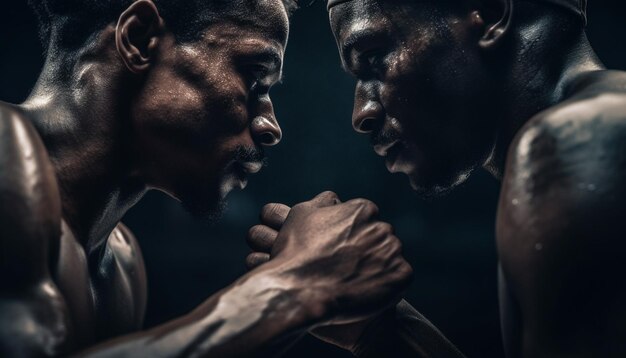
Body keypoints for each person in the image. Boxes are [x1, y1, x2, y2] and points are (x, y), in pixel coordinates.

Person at [0, 0, 413, 356]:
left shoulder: (121, 268)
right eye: (254, 78)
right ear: (140, 38)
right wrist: (295, 287)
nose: (271, 126)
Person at [248, 0, 626, 356]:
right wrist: (383, 331)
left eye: (374, 59)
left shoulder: (576, 140)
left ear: (491, 12)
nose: (361, 114)